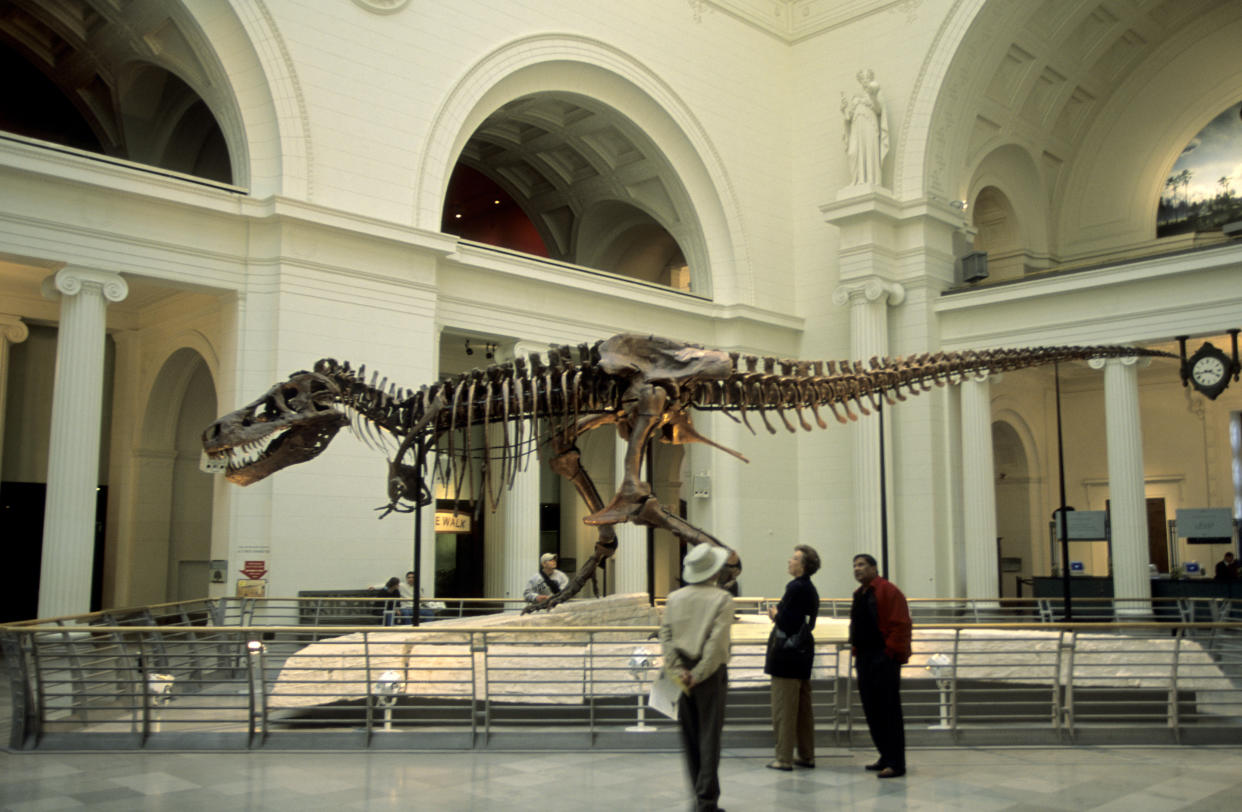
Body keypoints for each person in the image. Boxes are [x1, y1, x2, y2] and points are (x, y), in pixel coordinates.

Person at [659, 543, 735, 812]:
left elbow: (666, 636)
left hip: (680, 671)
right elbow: (716, 643)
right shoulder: (722, 600)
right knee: (709, 736)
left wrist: (679, 670)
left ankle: (697, 791)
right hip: (710, 674)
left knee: (689, 734)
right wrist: (700, 673)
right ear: (713, 571)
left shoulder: (674, 598)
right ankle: (706, 799)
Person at [849, 553, 911, 779]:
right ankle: (885, 756)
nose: (857, 569)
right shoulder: (860, 593)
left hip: (883, 659)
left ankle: (896, 763)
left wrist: (889, 653)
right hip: (865, 658)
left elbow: (901, 624)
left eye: (862, 565)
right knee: (872, 710)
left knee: (888, 711)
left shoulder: (888, 591)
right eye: (855, 565)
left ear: (874, 568)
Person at [763, 544, 820, 771]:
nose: (790, 561)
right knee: (803, 710)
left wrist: (775, 614)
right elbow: (809, 622)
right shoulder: (810, 588)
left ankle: (783, 757)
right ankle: (806, 755)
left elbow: (786, 621)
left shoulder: (795, 587)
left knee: (784, 709)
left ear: (803, 565)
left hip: (786, 657)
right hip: (802, 655)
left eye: (795, 558)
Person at [840, 68, 888, 186]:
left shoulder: (875, 92)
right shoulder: (855, 97)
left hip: (870, 124)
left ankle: (871, 180)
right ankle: (856, 180)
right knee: (853, 153)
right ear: (860, 81)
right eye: (863, 78)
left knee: (869, 149)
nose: (865, 80)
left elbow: (879, 110)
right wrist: (843, 109)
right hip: (856, 126)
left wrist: (872, 98)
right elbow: (848, 117)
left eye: (867, 78)